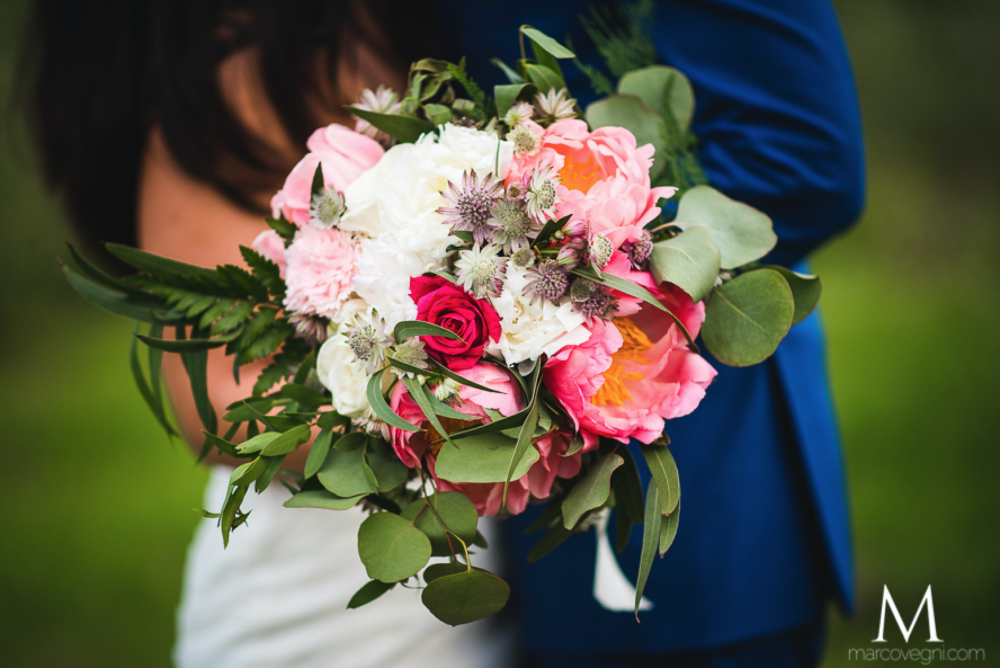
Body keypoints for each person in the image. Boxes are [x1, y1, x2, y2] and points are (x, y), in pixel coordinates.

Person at [24, 0, 864, 666]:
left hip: (484, 571)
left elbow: (803, 150)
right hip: (339, 584)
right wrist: (448, 398)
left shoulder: (376, 24)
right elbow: (212, 398)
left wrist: (529, 288)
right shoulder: (243, 56)